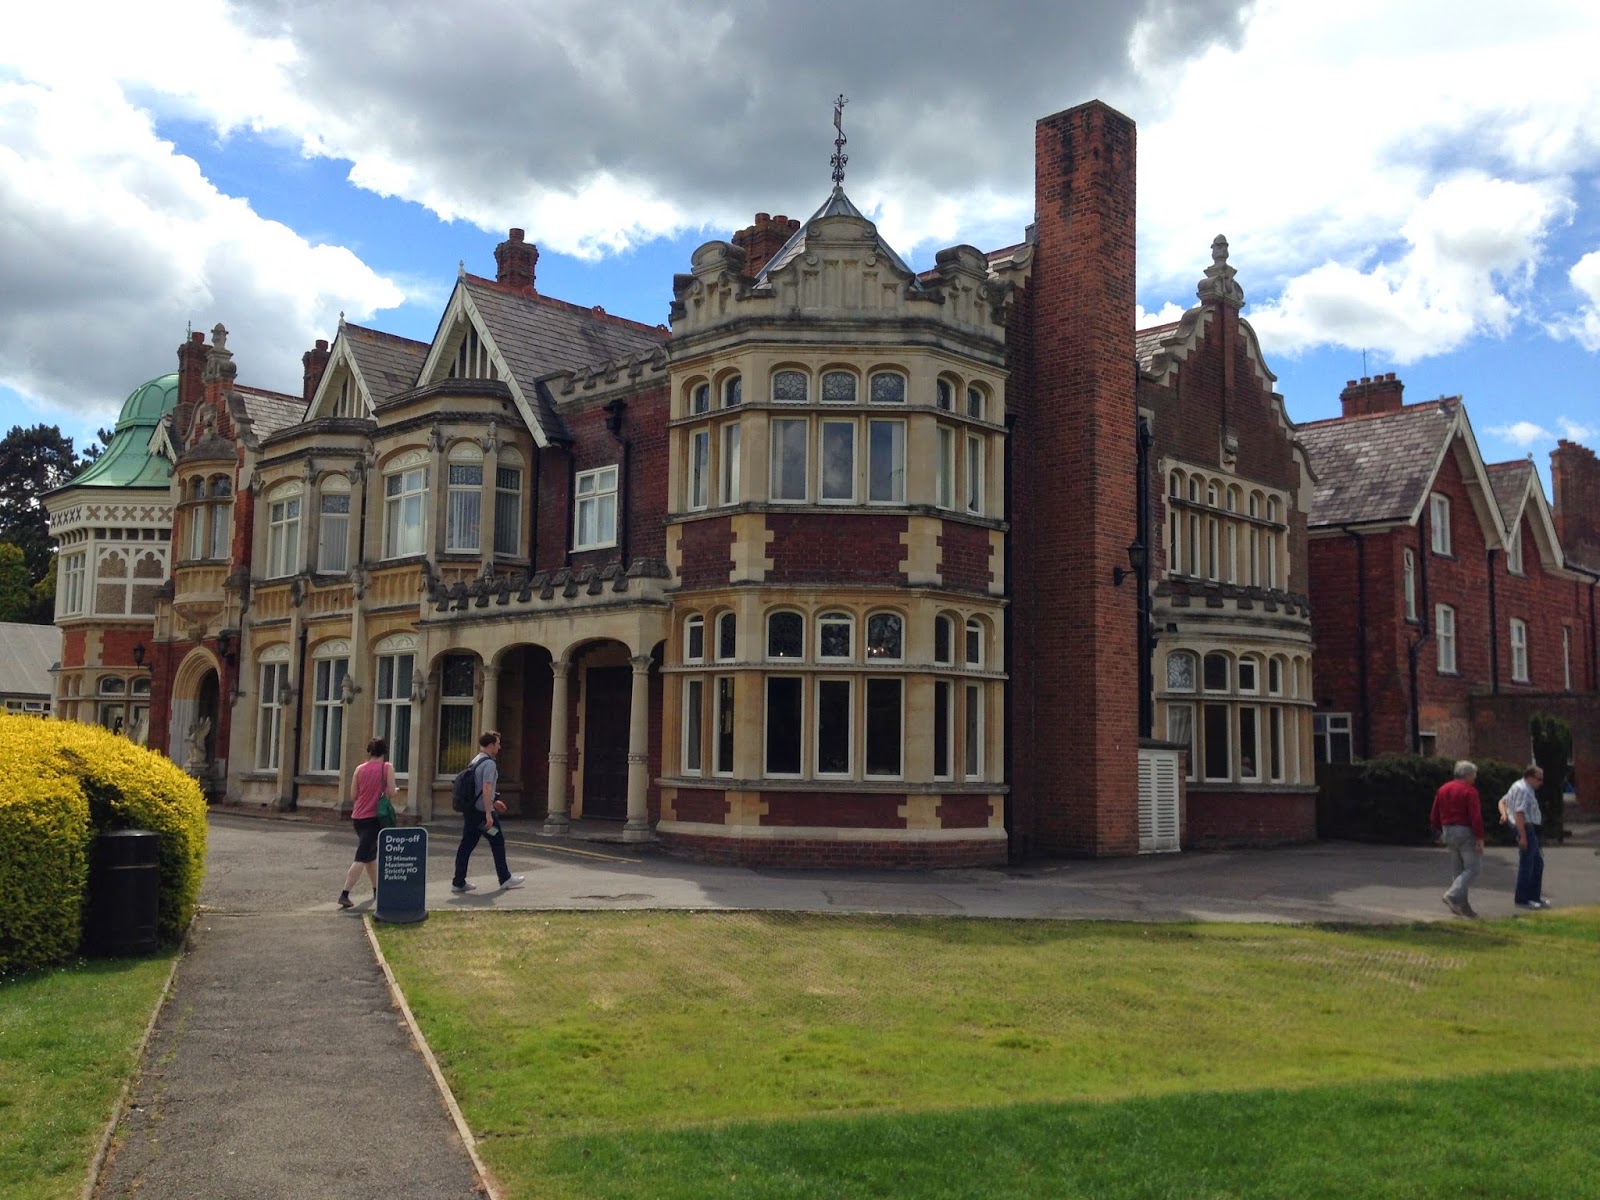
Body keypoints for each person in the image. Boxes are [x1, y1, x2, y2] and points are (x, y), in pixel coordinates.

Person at [450, 730, 525, 894]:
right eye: (497, 744)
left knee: (466, 846)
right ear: (491, 745)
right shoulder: (490, 764)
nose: (499, 747)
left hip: (471, 812)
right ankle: (505, 878)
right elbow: (486, 788)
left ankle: (458, 881)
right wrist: (489, 814)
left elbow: (478, 789)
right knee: (497, 840)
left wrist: (495, 801)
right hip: (482, 814)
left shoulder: (475, 760)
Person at [339, 738, 401, 909]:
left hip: (358, 817)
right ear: (384, 751)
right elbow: (390, 792)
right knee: (361, 856)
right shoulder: (386, 767)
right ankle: (344, 893)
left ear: (370, 751)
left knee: (370, 856)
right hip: (374, 817)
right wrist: (394, 791)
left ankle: (377, 890)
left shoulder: (359, 769)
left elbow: (353, 794)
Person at [1429, 760, 1484, 918]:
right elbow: (1475, 816)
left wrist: (1439, 830)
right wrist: (1479, 836)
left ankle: (1463, 906)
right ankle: (1452, 895)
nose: (1474, 778)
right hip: (1465, 830)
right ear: (1467, 775)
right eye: (1473, 775)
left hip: (1448, 830)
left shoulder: (1443, 789)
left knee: (1458, 870)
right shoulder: (1470, 791)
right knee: (1473, 868)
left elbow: (1434, 815)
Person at [1502, 765, 1548, 909]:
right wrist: (1523, 836)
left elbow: (1503, 801)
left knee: (1537, 863)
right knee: (1528, 864)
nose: (1540, 783)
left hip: (1528, 827)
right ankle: (1523, 898)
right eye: (1538, 779)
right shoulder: (1523, 790)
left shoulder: (1519, 786)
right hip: (1525, 827)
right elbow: (1519, 813)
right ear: (1529, 777)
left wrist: (1504, 814)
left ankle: (1534, 896)